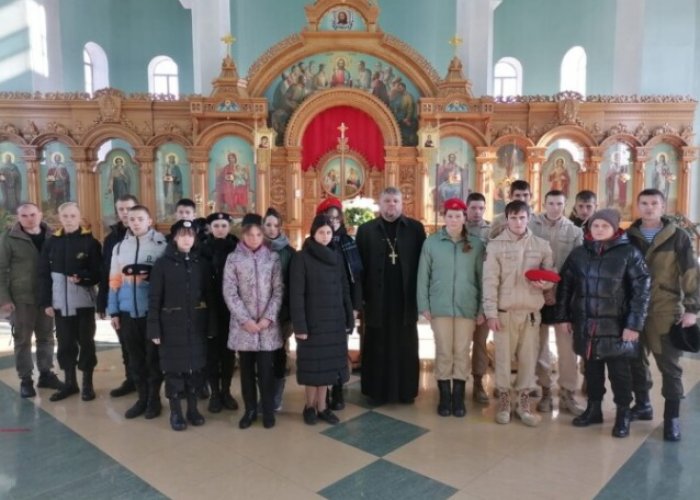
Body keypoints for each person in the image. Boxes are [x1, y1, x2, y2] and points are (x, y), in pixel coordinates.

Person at [555, 209, 650, 437]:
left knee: (620, 374)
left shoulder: (629, 253)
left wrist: (634, 325)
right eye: (595, 226)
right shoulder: (579, 254)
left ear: (615, 228)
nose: (599, 230)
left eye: (604, 226)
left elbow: (642, 291)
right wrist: (563, 316)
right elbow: (566, 287)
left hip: (618, 327)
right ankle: (593, 409)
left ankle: (623, 414)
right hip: (587, 324)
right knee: (592, 371)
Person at [626, 189, 700, 441]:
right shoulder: (628, 236)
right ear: (637, 206)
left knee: (669, 365)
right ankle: (643, 404)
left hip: (665, 310)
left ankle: (672, 419)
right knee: (635, 361)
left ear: (662, 206)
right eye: (644, 203)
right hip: (634, 312)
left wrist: (692, 309)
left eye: (654, 203)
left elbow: (690, 273)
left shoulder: (677, 237)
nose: (649, 208)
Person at [482, 200, 554, 427]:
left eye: (522, 217)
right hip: (505, 312)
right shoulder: (495, 246)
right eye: (513, 218)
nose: (518, 222)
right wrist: (491, 313)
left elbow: (550, 275)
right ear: (507, 219)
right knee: (502, 358)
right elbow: (490, 281)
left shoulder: (542, 245)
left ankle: (524, 403)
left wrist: (546, 284)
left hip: (531, 313)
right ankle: (504, 401)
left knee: (528, 358)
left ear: (529, 217)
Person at [356, 187, 426, 404]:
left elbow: (424, 268)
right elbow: (358, 270)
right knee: (376, 345)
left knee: (405, 345)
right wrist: (360, 301)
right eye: (387, 201)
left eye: (395, 201)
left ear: (402, 203)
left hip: (405, 299)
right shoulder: (366, 230)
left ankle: (405, 392)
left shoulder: (415, 229)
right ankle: (375, 392)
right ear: (380, 203)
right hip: (377, 299)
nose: (391, 205)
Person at [417, 198, 484, 417]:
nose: (454, 220)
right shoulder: (432, 243)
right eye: (450, 216)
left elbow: (482, 278)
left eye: (458, 216)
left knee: (462, 351)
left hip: (467, 306)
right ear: (443, 217)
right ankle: (445, 396)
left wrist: (481, 308)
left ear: (464, 218)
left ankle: (459, 397)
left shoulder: (475, 244)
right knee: (444, 350)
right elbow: (422, 276)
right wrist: (424, 305)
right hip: (440, 306)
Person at [148, 220, 215, 431]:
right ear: (175, 237)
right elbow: (154, 299)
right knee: (174, 371)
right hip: (171, 327)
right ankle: (176, 412)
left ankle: (193, 409)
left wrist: (211, 325)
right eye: (182, 234)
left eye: (191, 235)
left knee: (195, 370)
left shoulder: (201, 264)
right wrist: (154, 328)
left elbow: (210, 296)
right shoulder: (162, 264)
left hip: (196, 325)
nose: (187, 238)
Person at [291, 214, 354, 425]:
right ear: (313, 233)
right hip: (313, 323)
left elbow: (345, 288)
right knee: (312, 368)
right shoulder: (302, 257)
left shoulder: (336, 256)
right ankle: (309, 406)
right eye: (321, 232)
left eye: (329, 232)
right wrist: (299, 325)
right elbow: (296, 294)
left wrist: (348, 316)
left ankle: (323, 407)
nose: (325, 236)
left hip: (334, 322)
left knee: (327, 368)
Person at [223, 213, 283, 429]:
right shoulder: (233, 259)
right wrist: (245, 319)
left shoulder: (272, 258)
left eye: (259, 234)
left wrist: (267, 318)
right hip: (244, 327)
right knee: (246, 371)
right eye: (250, 235)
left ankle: (267, 410)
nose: (255, 238)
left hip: (267, 327)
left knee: (266, 371)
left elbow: (278, 291)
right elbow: (230, 292)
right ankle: (249, 410)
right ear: (243, 236)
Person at [107, 205, 167, 420]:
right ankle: (141, 398)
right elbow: (114, 280)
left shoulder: (161, 245)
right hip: (126, 311)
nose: (135, 222)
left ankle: (154, 400)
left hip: (151, 313)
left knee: (153, 358)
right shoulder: (120, 247)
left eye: (140, 218)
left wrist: (150, 277)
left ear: (149, 220)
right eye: (132, 219)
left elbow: (166, 281)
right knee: (135, 359)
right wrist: (113, 310)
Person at [38, 202, 102, 402]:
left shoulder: (90, 242)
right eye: (65, 216)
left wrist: (82, 278)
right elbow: (43, 275)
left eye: (73, 215)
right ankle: (70, 383)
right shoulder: (51, 242)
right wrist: (47, 302)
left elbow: (98, 273)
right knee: (65, 344)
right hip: (59, 304)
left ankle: (87, 384)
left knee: (86, 343)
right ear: (60, 218)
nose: (69, 219)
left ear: (79, 216)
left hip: (83, 303)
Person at [529, 190, 585, 416]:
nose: (555, 207)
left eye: (559, 203)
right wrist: (543, 288)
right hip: (536, 295)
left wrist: (557, 290)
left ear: (565, 204)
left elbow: (578, 266)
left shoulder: (574, 231)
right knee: (538, 346)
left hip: (565, 298)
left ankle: (567, 393)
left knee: (567, 348)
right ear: (544, 203)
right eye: (551, 203)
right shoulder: (531, 226)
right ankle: (544, 390)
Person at [0, 202, 62, 398]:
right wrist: (4, 299)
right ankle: (26, 380)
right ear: (18, 217)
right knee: (23, 340)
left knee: (46, 337)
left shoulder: (53, 236)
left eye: (33, 214)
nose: (29, 218)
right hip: (21, 298)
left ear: (40, 214)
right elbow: (1, 270)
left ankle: (45, 374)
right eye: (24, 215)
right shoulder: (9, 239)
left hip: (46, 297)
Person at [316, 197, 363, 411]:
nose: (333, 222)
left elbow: (356, 278)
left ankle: (337, 390)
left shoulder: (348, 243)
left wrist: (354, 308)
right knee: (323, 351)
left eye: (337, 218)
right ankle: (321, 393)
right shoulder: (316, 243)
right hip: (321, 309)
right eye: (329, 217)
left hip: (342, 308)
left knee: (340, 350)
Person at [97, 194, 139, 398]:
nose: (125, 213)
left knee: (144, 345)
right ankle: (131, 379)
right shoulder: (111, 239)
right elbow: (106, 272)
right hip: (119, 299)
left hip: (142, 300)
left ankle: (147, 382)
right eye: (121, 209)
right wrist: (102, 302)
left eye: (129, 209)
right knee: (125, 342)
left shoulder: (151, 236)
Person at [200, 212, 240, 413]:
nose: (220, 229)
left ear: (229, 227)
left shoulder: (237, 247)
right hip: (208, 308)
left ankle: (226, 391)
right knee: (211, 353)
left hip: (231, 309)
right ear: (210, 228)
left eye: (224, 225)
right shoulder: (201, 248)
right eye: (216, 225)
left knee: (228, 353)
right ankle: (214, 393)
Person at [262, 207, 296, 411]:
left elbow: (292, 284)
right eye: (268, 225)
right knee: (261, 356)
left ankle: (276, 395)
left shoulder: (289, 252)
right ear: (262, 226)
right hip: (258, 311)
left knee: (278, 354)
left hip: (281, 312)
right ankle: (263, 394)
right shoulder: (254, 247)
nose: (272, 229)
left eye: (276, 225)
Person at [465, 192, 491, 403]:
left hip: (484, 293)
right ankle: (455, 381)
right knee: (458, 343)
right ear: (466, 208)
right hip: (461, 295)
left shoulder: (492, 231)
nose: (476, 212)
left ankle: (478, 381)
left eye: (480, 208)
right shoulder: (456, 228)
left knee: (480, 342)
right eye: (473, 208)